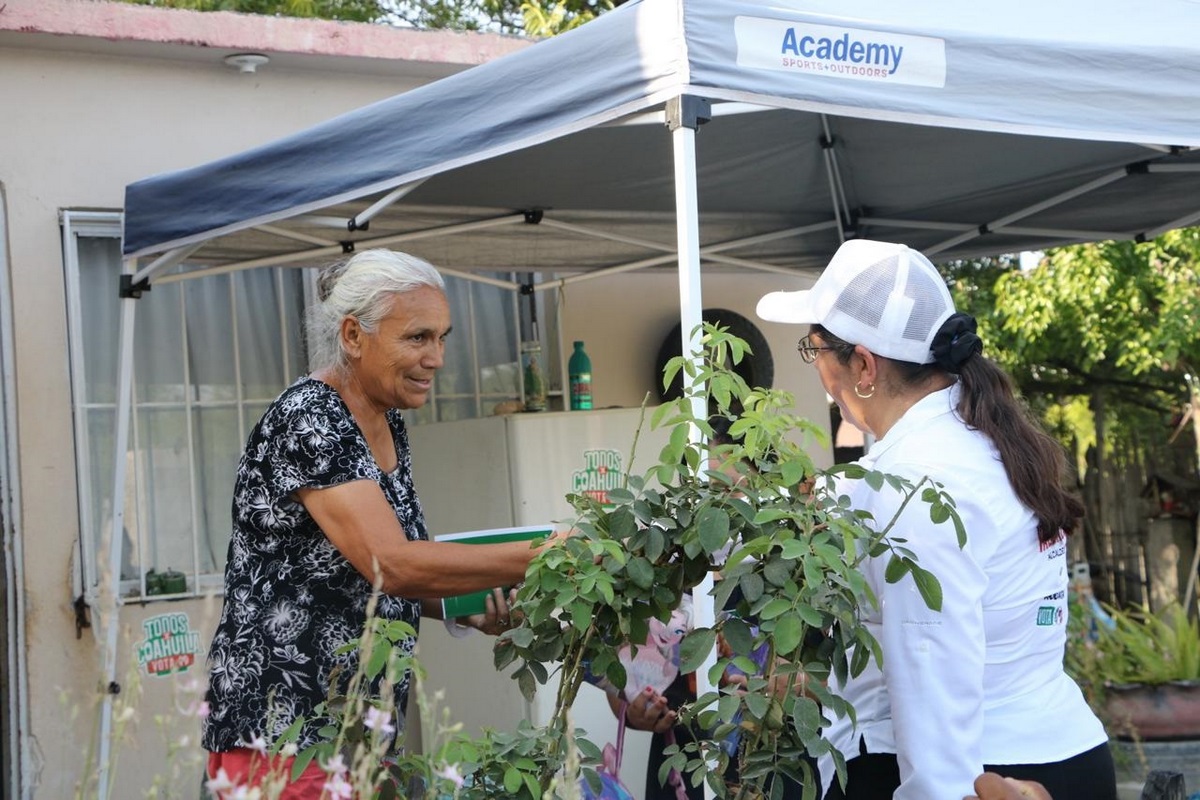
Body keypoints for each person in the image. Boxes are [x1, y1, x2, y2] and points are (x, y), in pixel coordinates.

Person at [755, 239, 1116, 800]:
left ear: (864, 366)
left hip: (978, 774)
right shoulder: (977, 443)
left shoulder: (915, 486)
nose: (817, 369)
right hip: (1056, 751)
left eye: (815, 348)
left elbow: (930, 664)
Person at [201, 249, 549, 798]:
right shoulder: (310, 418)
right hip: (286, 731)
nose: (436, 357)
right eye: (417, 338)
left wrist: (468, 603)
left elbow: (370, 577)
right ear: (353, 335)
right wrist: (548, 551)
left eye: (442, 338)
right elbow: (393, 565)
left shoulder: (383, 422)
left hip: (359, 729)